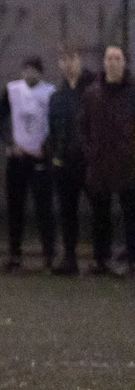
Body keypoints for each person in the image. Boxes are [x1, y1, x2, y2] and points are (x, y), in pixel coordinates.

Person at [77, 45, 135, 277]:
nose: (112, 62)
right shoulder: (92, 93)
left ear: (124, 62)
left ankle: (132, 260)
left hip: (129, 165)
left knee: (131, 214)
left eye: (117, 58)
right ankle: (101, 260)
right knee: (100, 215)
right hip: (99, 165)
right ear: (103, 62)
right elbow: (82, 128)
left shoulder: (133, 92)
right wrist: (91, 152)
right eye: (109, 58)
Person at [0, 57, 57, 272]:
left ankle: (48, 256)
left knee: (44, 208)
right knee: (15, 208)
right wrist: (9, 142)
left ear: (41, 73)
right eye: (27, 70)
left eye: (34, 71)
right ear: (21, 71)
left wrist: (47, 147)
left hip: (39, 157)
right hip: (18, 157)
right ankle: (14, 255)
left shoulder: (50, 92)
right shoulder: (12, 90)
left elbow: (56, 124)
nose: (30, 74)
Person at [45, 43, 95, 275]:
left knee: (98, 210)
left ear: (80, 60)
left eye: (72, 58)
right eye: (63, 59)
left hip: (90, 163)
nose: (67, 63)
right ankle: (70, 259)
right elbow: (53, 130)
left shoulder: (93, 90)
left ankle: (100, 259)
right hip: (64, 164)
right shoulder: (56, 96)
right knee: (67, 212)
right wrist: (54, 154)